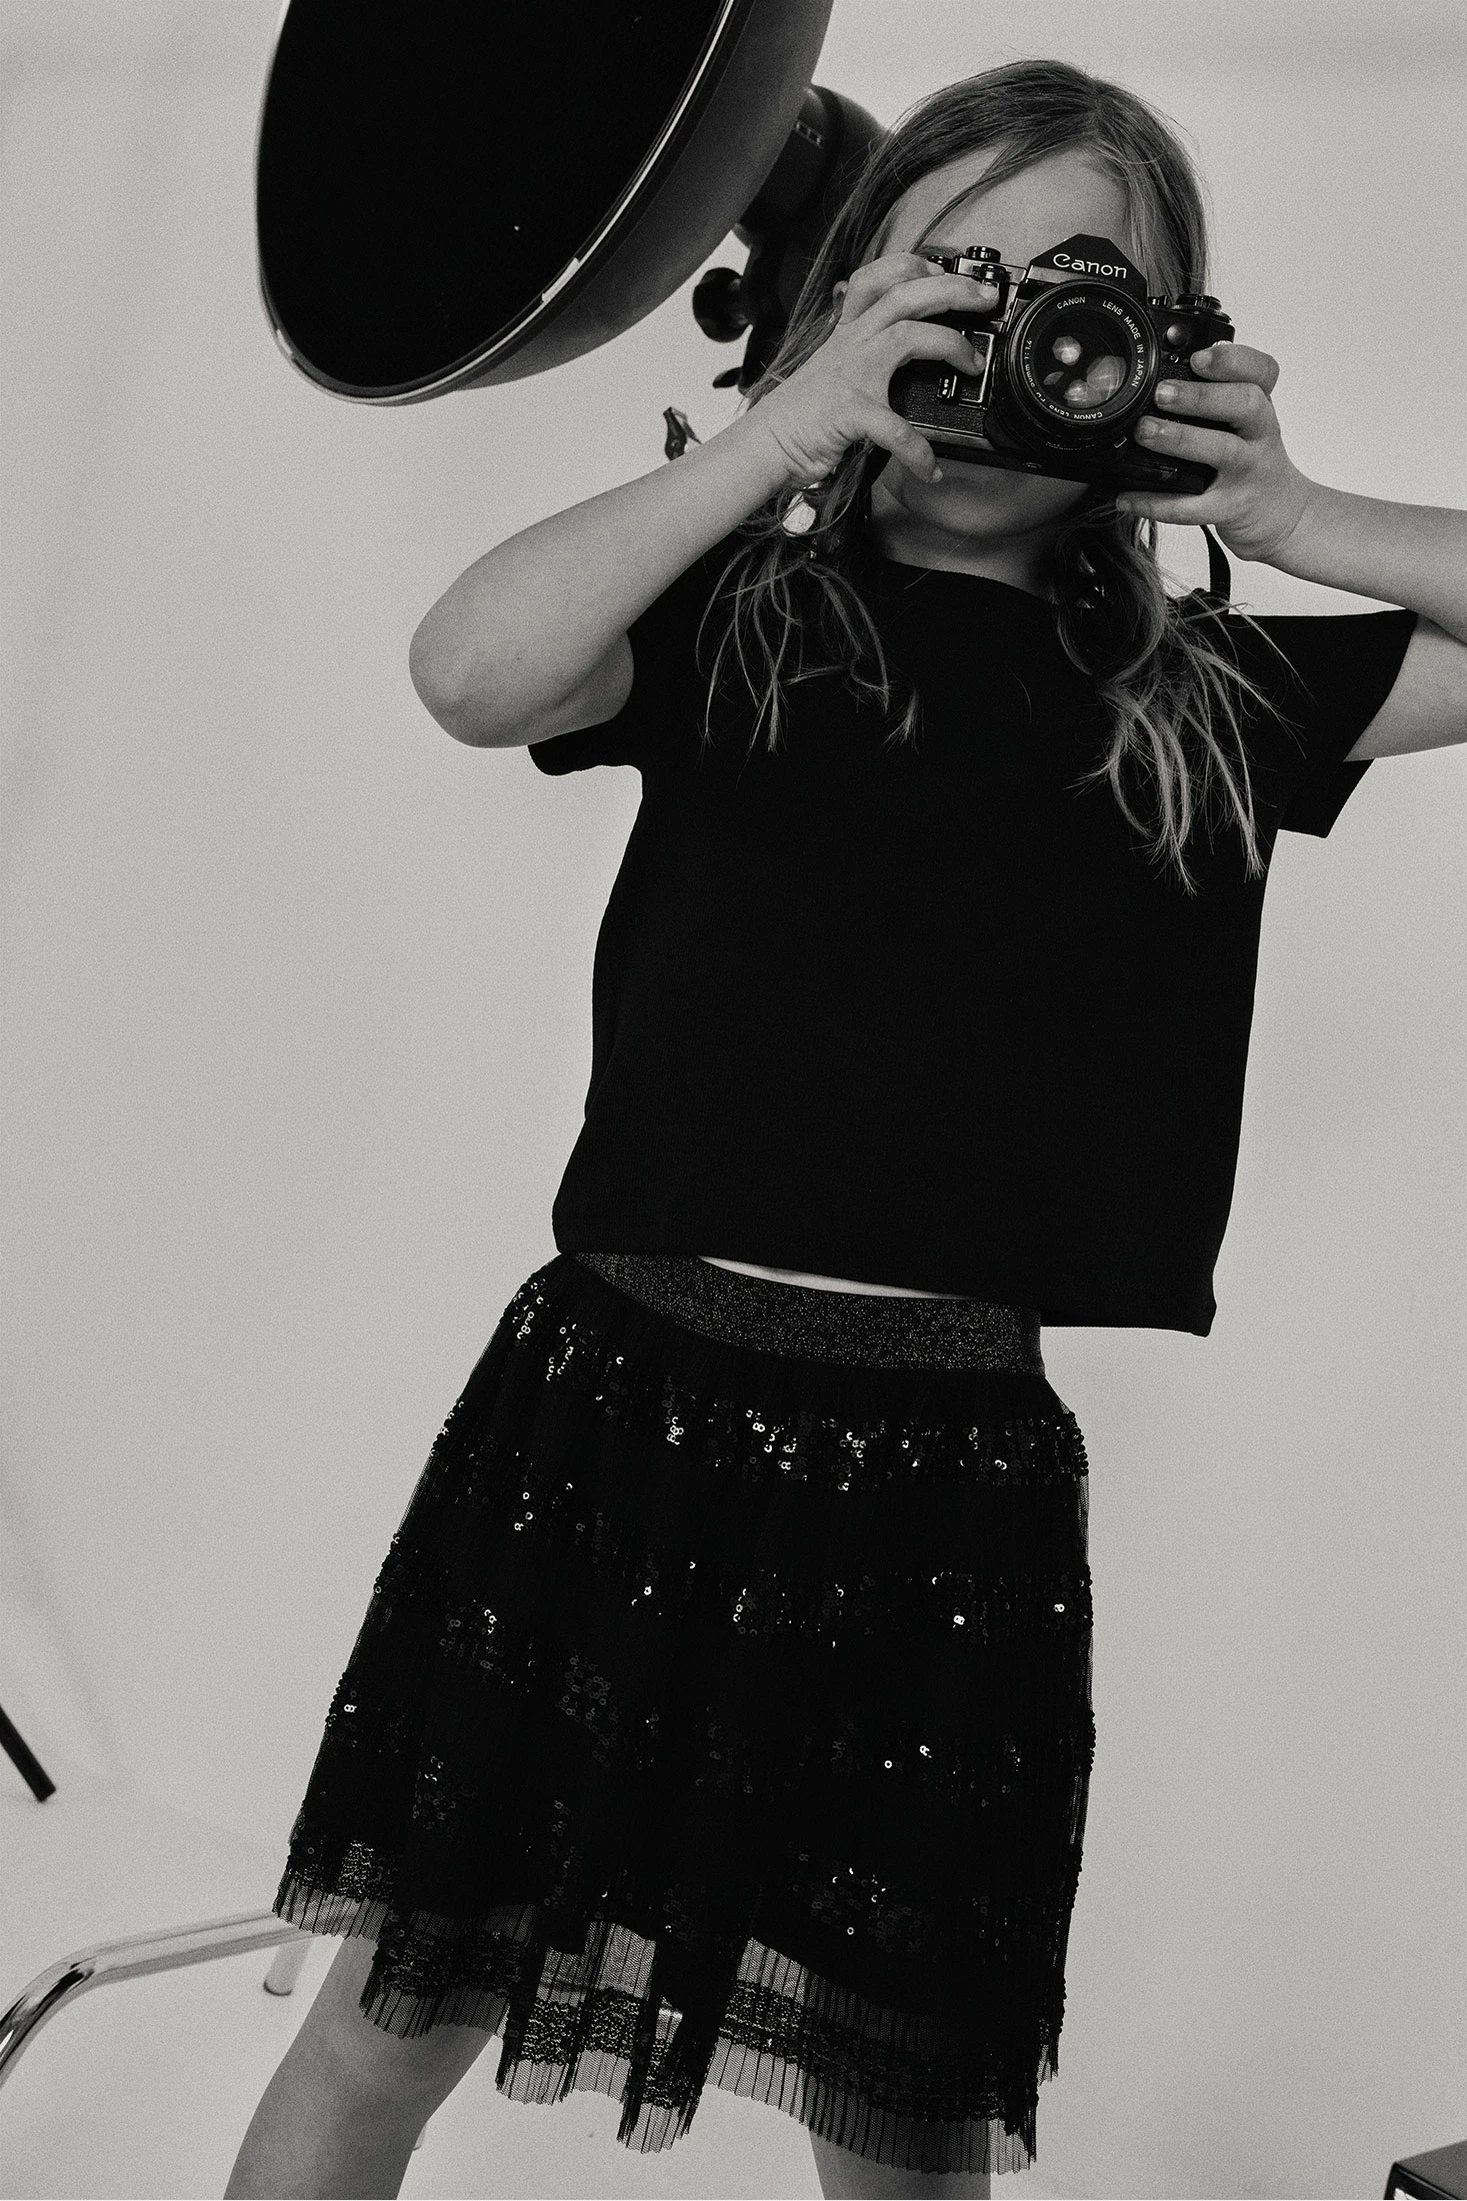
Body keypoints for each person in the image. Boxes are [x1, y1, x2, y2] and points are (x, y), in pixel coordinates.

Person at [225, 57, 1465, 2201]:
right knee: (387, 2023)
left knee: (902, 2121)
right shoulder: (737, 615)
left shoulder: (1205, 696)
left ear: (1155, 356)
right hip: (618, 1418)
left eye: (1069, 300)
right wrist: (789, 429)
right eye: (948, 281)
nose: (999, 343)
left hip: (941, 1486)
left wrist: (1285, 516)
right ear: (846, 307)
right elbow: (470, 670)